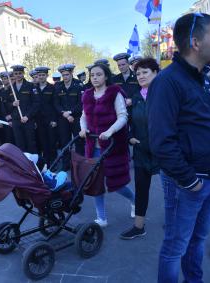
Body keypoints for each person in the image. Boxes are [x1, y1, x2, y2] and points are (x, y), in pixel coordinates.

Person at [147, 13, 210, 283]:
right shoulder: (167, 82)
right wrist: (190, 181)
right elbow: (161, 141)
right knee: (175, 246)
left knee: (198, 239)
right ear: (195, 42)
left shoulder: (204, 77)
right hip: (189, 183)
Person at [80, 63, 135, 227]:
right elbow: (83, 117)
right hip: (93, 146)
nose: (95, 78)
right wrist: (83, 129)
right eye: (92, 75)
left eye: (98, 74)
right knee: (96, 182)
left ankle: (135, 201)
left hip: (112, 146)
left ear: (105, 76)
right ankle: (101, 217)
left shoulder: (114, 92)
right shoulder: (87, 95)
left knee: (116, 183)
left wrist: (110, 132)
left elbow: (123, 116)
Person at [120, 58, 160, 240]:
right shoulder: (135, 98)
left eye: (145, 72)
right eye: (138, 73)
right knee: (141, 189)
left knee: (173, 191)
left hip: (164, 152)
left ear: (156, 73)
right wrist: (129, 138)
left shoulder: (165, 94)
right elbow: (126, 121)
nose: (141, 76)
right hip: (141, 150)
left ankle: (176, 223)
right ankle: (138, 226)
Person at [54, 64, 85, 171]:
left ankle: (80, 164)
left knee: (79, 142)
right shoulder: (58, 86)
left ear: (71, 74)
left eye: (67, 74)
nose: (65, 77)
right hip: (63, 118)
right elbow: (56, 103)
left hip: (76, 118)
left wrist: (71, 112)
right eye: (63, 75)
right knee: (65, 142)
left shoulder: (79, 85)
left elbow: (81, 102)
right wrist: (64, 113)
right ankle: (66, 164)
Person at [9, 65, 40, 153]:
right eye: (16, 74)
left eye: (20, 73)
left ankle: (33, 165)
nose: (18, 75)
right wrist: (12, 104)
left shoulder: (31, 86)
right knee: (19, 145)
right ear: (13, 75)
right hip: (16, 120)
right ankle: (23, 165)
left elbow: (36, 104)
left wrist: (28, 116)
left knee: (31, 144)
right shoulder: (10, 88)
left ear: (23, 74)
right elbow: (6, 104)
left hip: (27, 120)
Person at [34, 66, 58, 167]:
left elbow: (55, 104)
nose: (41, 77)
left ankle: (54, 163)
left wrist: (54, 119)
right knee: (43, 142)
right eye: (39, 75)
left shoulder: (52, 88)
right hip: (38, 120)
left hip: (50, 119)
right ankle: (46, 163)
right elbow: (33, 105)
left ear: (47, 76)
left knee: (52, 142)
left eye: (43, 75)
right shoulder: (34, 89)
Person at [0, 71, 15, 144]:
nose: (4, 80)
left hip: (13, 118)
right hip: (4, 119)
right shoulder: (0, 91)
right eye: (3, 79)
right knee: (7, 140)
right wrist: (1, 120)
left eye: (6, 78)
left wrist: (11, 117)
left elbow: (15, 106)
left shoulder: (13, 90)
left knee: (15, 140)